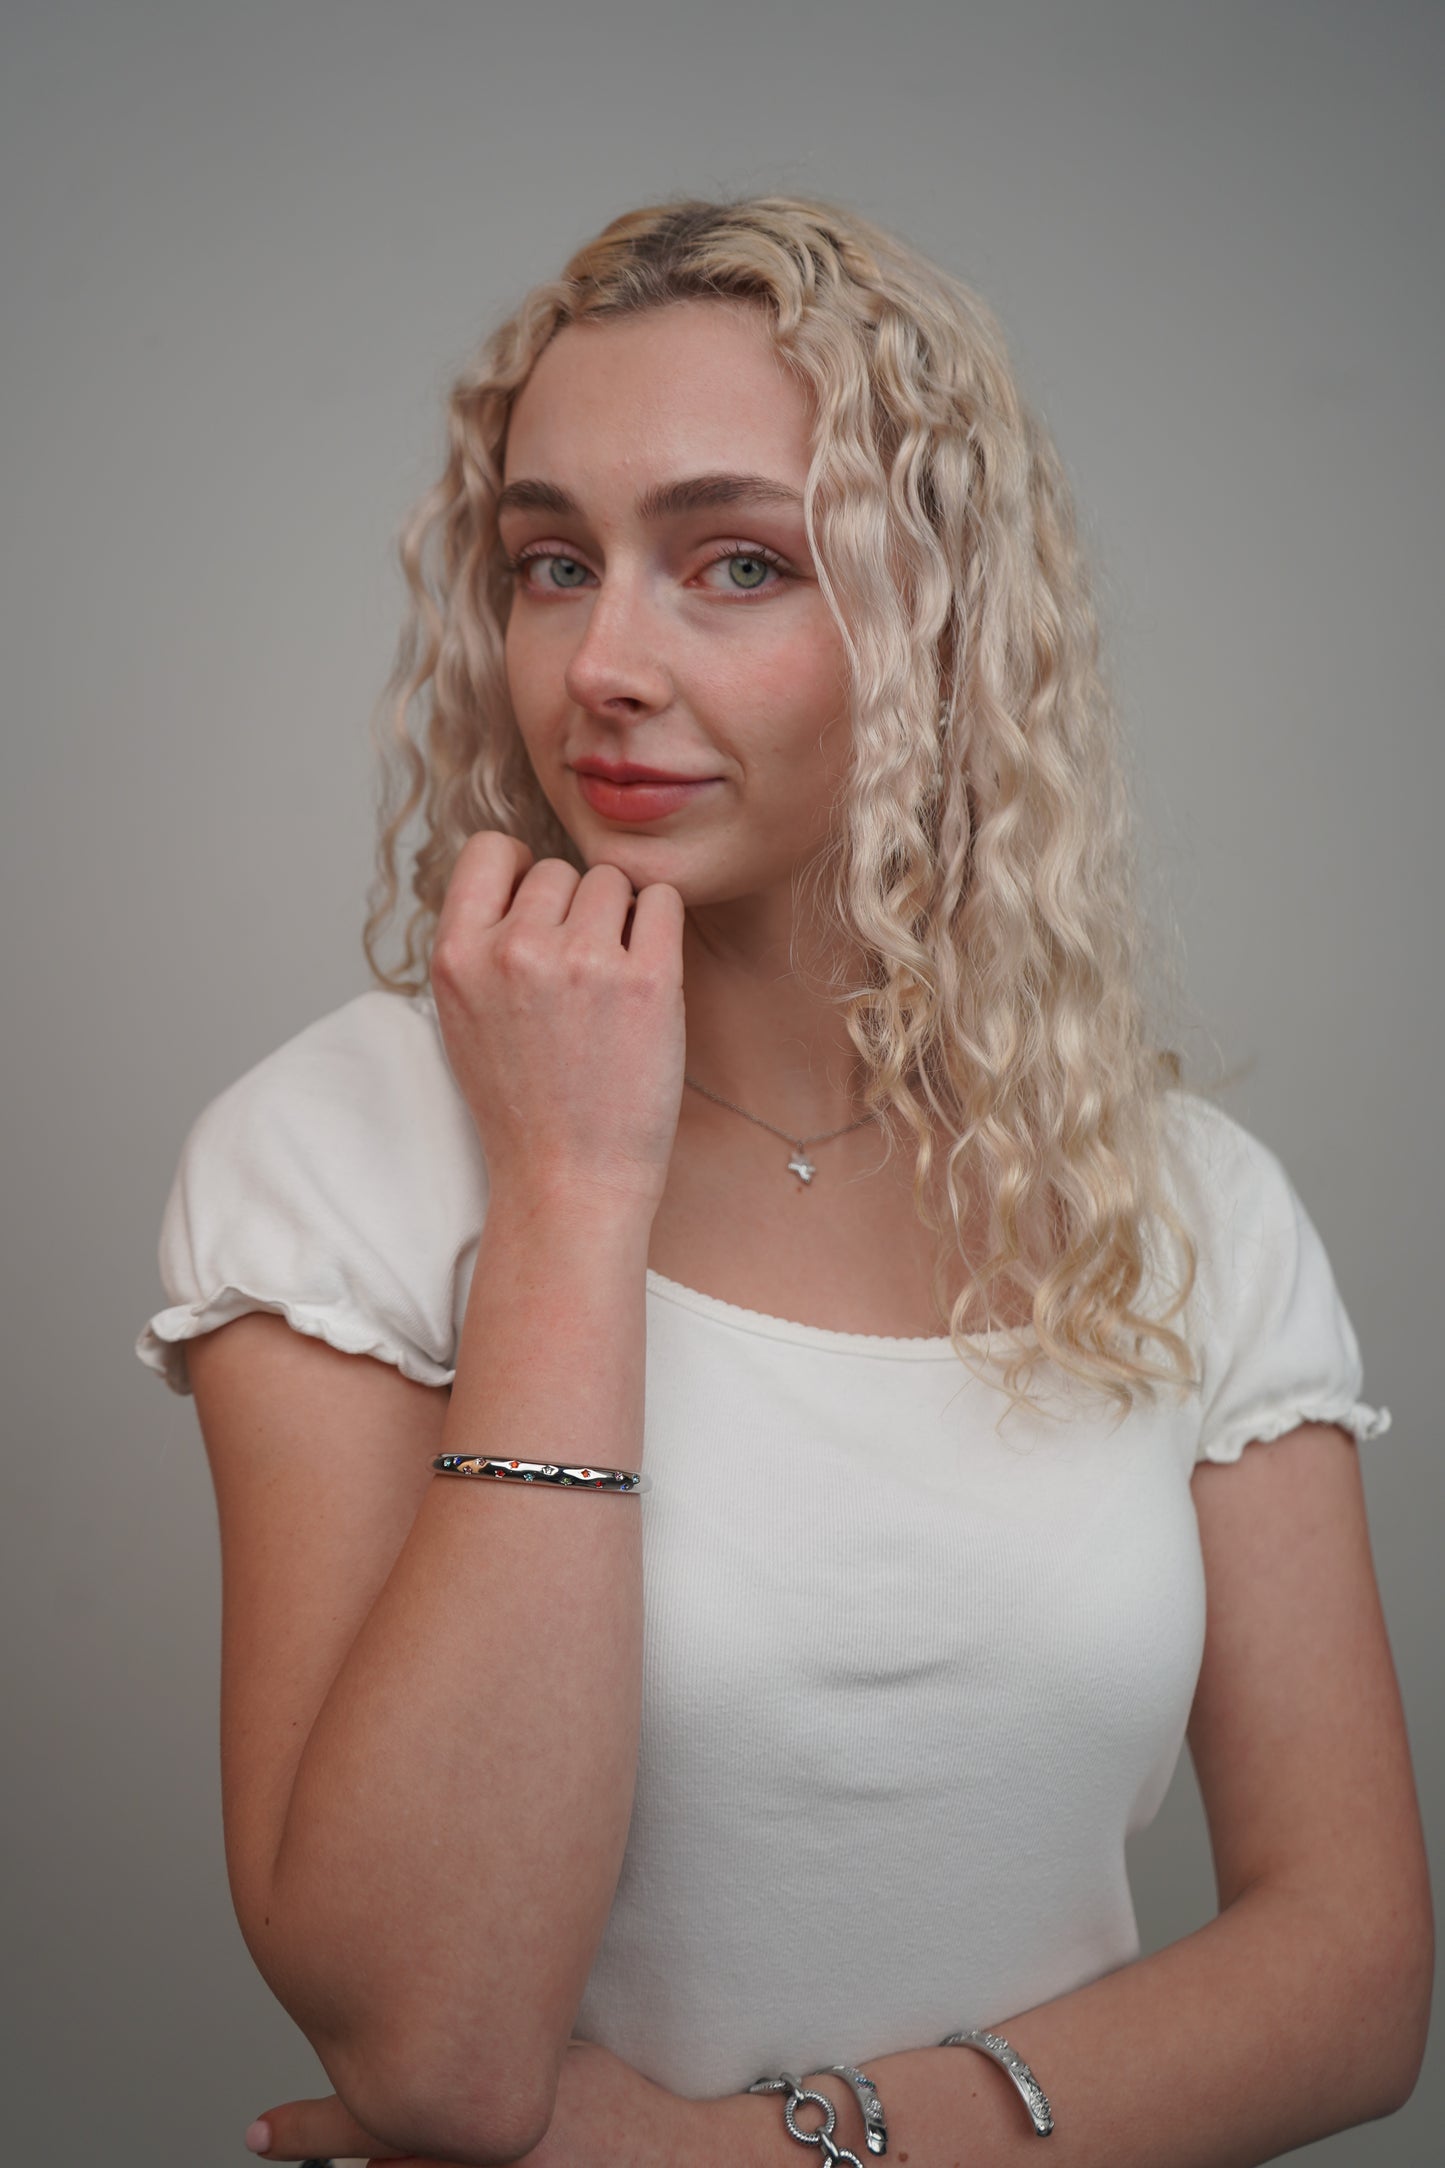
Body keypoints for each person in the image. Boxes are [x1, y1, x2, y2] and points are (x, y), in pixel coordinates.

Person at [136, 194, 1431, 2168]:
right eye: (550, 563)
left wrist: (770, 2154)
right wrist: (574, 1193)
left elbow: (1352, 1979)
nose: (604, 664)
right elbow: (440, 2053)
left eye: (735, 562)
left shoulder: (1185, 1201)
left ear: (939, 618)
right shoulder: (335, 1157)